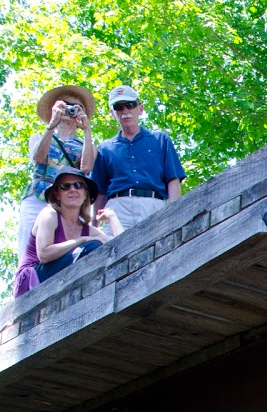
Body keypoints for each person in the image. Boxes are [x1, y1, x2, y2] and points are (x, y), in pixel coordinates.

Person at [87, 87, 186, 230]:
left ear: (140, 109)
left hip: (153, 205)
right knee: (113, 244)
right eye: (119, 107)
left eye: (130, 105)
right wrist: (94, 228)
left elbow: (173, 179)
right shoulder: (104, 148)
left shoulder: (160, 139)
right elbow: (100, 192)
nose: (125, 110)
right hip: (117, 209)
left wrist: (174, 214)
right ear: (112, 113)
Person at [19, 86, 97, 263]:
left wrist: (87, 130)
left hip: (67, 204)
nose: (69, 110)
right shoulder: (38, 137)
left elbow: (86, 168)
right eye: (65, 105)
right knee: (28, 252)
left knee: (63, 250)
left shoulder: (86, 145)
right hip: (37, 197)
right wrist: (52, 124)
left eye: (75, 107)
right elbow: (38, 157)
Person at [12, 171, 121, 299]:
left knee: (99, 248)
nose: (73, 190)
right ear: (57, 195)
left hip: (58, 279)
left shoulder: (87, 230)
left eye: (79, 185)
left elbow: (121, 246)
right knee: (92, 247)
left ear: (85, 194)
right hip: (31, 280)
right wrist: (82, 240)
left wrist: (112, 217)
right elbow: (44, 255)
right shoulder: (49, 215)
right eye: (65, 186)